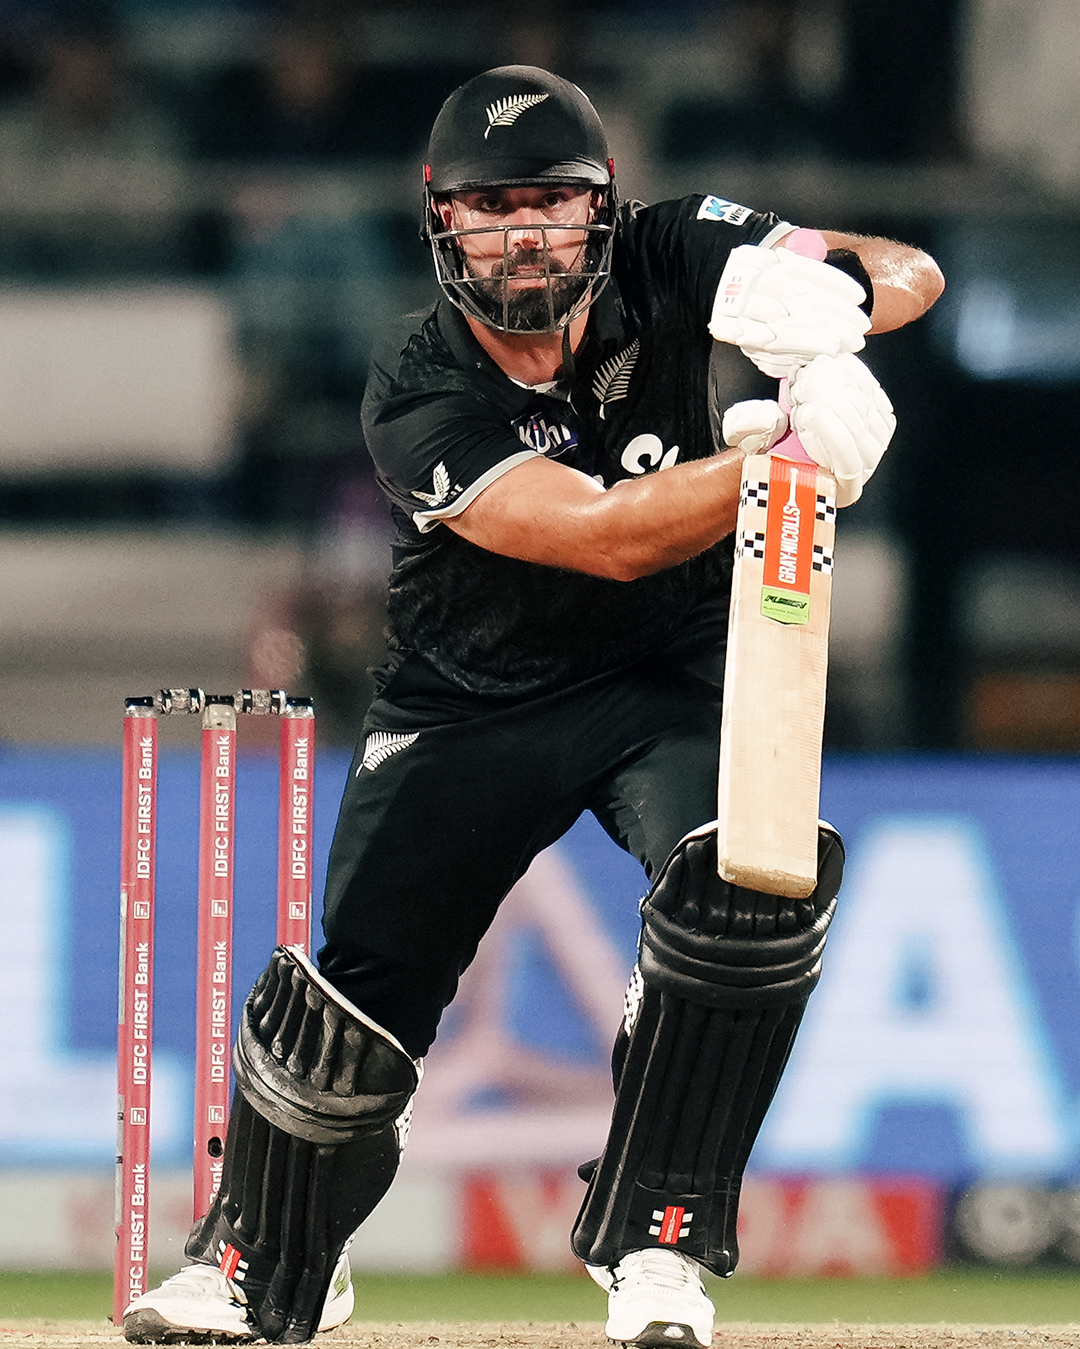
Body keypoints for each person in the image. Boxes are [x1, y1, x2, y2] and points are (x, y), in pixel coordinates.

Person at [123, 65, 943, 1347]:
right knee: (351, 1006)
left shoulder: (678, 252)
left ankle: (658, 1248)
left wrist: (830, 306)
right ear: (441, 219)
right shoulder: (414, 382)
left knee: (749, 885)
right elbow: (609, 536)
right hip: (468, 702)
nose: (523, 232)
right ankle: (263, 1257)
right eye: (490, 206)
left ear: (601, 208)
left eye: (550, 203)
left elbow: (914, 270)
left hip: (665, 682)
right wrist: (782, 462)